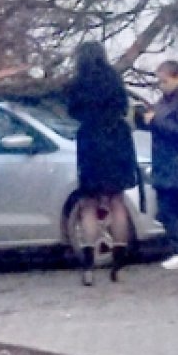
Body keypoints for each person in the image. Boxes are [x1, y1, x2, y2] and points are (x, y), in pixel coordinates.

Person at [65, 42, 140, 286]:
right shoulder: (114, 79)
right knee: (117, 201)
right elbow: (123, 106)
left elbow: (72, 112)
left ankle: (88, 266)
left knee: (88, 203)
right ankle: (118, 266)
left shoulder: (77, 83)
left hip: (91, 142)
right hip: (117, 139)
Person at [137, 60, 178, 271]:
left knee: (174, 209)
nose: (161, 86)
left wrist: (156, 121)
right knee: (172, 208)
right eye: (159, 82)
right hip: (165, 161)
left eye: (164, 81)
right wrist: (145, 121)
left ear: (177, 78)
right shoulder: (165, 101)